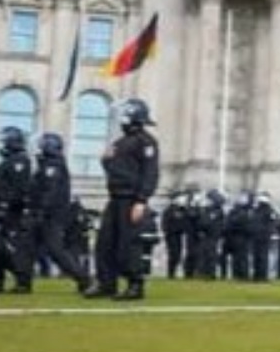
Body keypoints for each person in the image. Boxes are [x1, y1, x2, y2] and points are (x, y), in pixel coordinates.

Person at [83, 98, 160, 301]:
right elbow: (114, 170)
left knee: (129, 243)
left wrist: (141, 200)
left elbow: (150, 173)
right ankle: (106, 282)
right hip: (115, 198)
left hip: (131, 199)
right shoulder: (119, 143)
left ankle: (135, 284)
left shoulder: (146, 141)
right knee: (105, 242)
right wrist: (106, 159)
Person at [29, 133, 92, 293]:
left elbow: (49, 191)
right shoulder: (48, 165)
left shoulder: (53, 165)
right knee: (28, 246)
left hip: (51, 214)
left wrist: (41, 209)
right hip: (46, 213)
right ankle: (21, 280)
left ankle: (83, 278)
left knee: (55, 249)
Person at [0, 127, 34, 294]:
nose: (2, 145)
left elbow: (19, 188)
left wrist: (5, 205)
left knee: (6, 246)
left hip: (10, 211)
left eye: (5, 141)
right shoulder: (8, 161)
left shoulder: (20, 161)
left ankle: (22, 280)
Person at [162, 191, 191, 278]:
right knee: (173, 254)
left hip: (179, 235)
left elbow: (187, 221)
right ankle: (170, 273)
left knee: (178, 254)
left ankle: (173, 273)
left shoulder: (183, 209)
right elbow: (165, 223)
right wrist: (167, 232)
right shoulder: (169, 210)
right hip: (171, 235)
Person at [250, 192, 278, 283]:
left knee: (263, 257)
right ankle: (257, 276)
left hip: (264, 236)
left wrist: (269, 233)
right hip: (256, 236)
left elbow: (272, 223)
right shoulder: (256, 210)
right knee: (257, 257)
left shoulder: (269, 210)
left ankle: (262, 276)